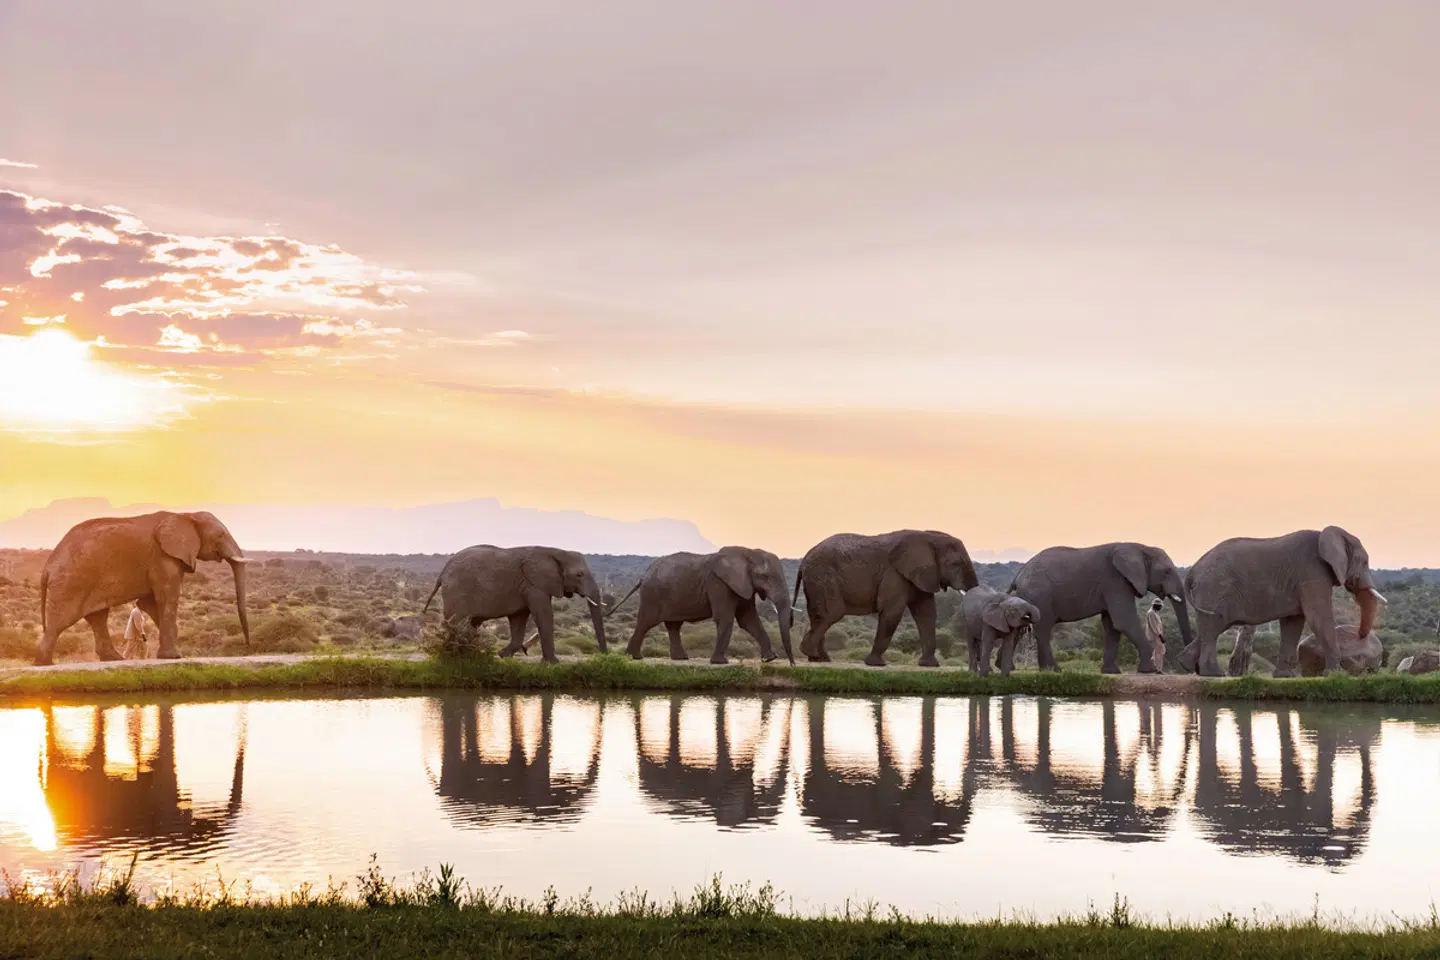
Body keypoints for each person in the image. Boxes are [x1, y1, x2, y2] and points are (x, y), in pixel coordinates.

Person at [1143, 597, 1166, 672]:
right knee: (1159, 652)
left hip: (1157, 635)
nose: (1160, 607)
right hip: (1155, 636)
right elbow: (1154, 626)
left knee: (1160, 651)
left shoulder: (1155, 613)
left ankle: (1154, 664)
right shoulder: (1151, 613)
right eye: (1159, 606)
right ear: (1155, 605)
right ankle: (1158, 669)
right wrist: (1160, 636)